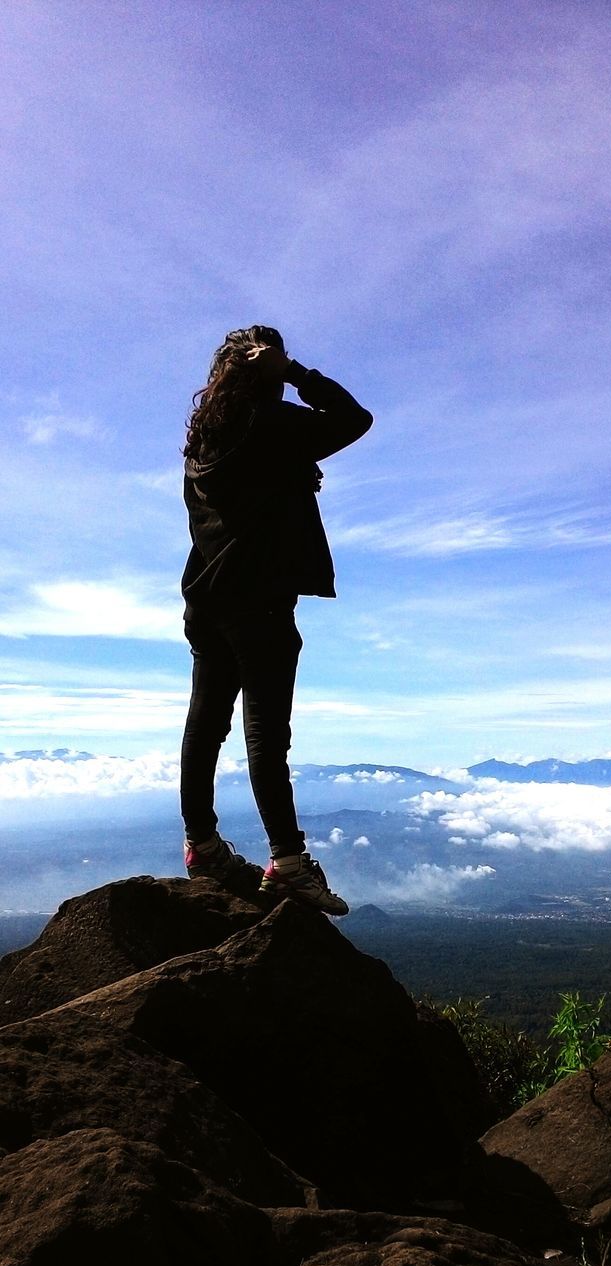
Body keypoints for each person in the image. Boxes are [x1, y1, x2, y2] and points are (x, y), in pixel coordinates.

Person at [178, 325, 372, 914]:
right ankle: (287, 864)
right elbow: (353, 419)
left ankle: (202, 845)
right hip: (259, 603)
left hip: (206, 599)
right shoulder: (272, 426)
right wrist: (295, 374)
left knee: (207, 725)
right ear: (264, 366)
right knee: (267, 737)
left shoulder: (204, 443)